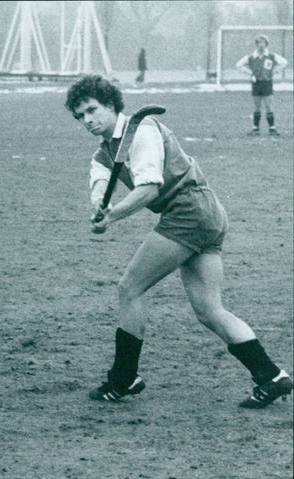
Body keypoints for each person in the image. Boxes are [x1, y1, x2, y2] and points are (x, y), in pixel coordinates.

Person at [64, 75, 292, 408]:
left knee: (130, 288)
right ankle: (272, 377)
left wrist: (113, 216)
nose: (87, 120)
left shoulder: (142, 130)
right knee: (210, 310)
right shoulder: (104, 154)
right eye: (80, 116)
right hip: (204, 215)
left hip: (190, 212)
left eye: (92, 110)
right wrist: (99, 208)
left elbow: (150, 188)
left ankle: (124, 377)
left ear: (111, 105)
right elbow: (100, 185)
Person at [235, 34, 288, 136]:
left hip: (267, 82)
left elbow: (284, 62)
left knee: (269, 105)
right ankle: (256, 129)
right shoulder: (251, 57)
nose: (261, 45)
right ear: (256, 44)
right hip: (256, 83)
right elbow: (238, 65)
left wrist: (274, 71)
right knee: (257, 106)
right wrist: (250, 73)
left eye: (263, 43)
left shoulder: (271, 56)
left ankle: (272, 128)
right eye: (259, 42)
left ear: (266, 44)